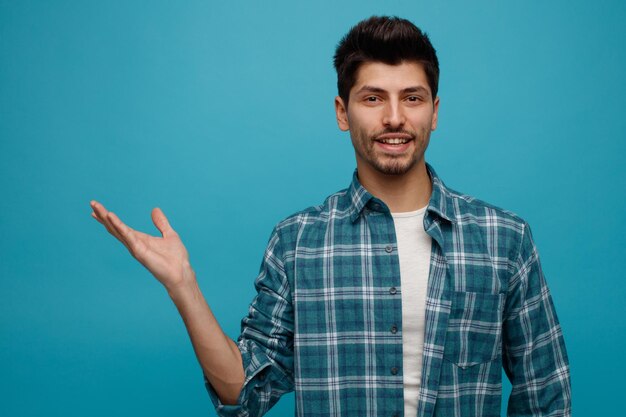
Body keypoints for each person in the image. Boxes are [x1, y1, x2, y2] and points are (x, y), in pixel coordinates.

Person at [90, 16, 571, 417]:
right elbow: (242, 394)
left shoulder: (504, 240)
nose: (394, 118)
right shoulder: (297, 242)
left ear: (434, 111)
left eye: (412, 97)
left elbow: (546, 398)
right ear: (343, 112)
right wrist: (183, 287)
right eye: (372, 98)